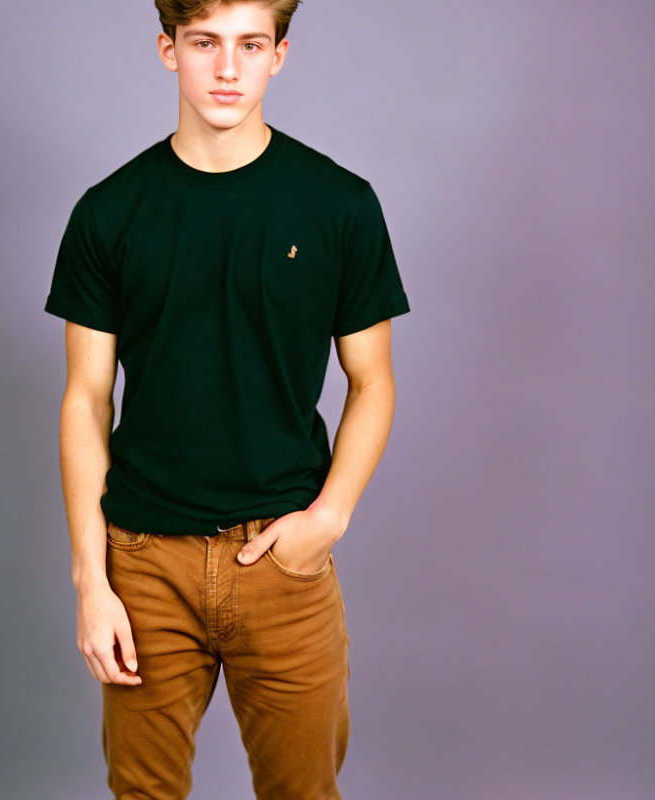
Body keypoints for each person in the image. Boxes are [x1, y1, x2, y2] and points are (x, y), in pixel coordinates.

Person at [43, 1, 411, 797]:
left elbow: (374, 381)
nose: (227, 68)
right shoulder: (109, 213)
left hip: (282, 558)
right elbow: (84, 401)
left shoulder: (340, 206)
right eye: (205, 43)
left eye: (251, 45)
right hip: (144, 563)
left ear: (280, 55)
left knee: (303, 794)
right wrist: (91, 582)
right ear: (167, 49)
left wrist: (329, 520)